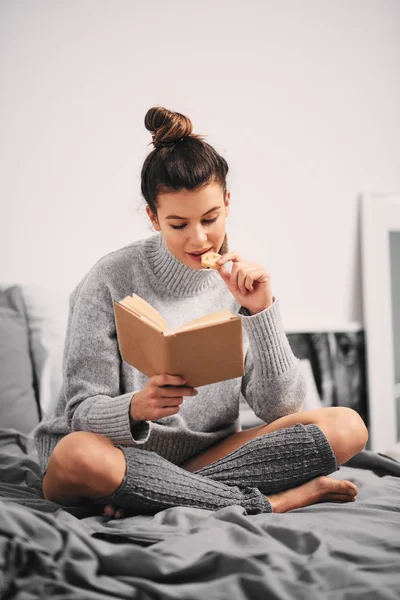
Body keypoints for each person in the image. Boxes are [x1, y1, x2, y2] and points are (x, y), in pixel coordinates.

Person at [34, 106, 368, 517]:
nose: (199, 239)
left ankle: (157, 493)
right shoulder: (108, 278)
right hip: (113, 456)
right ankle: (265, 503)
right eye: (178, 224)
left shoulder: (239, 282)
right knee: (78, 455)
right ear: (153, 218)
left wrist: (261, 312)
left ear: (227, 203)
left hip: (207, 456)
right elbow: (81, 414)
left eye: (211, 218)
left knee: (348, 426)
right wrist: (136, 407)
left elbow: (283, 410)